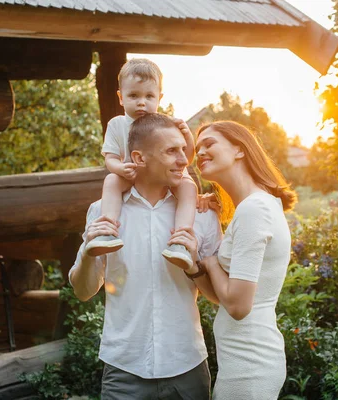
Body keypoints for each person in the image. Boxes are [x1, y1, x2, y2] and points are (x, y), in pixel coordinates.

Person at [69, 113, 223, 400]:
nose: (184, 160)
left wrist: (195, 266)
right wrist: (89, 254)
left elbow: (217, 296)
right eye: (171, 151)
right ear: (139, 157)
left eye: (182, 149)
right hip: (124, 369)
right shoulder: (103, 212)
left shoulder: (201, 216)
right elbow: (82, 291)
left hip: (187, 367)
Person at [173, 121, 297, 399]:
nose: (199, 151)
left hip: (249, 364)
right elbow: (225, 298)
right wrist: (196, 266)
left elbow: (239, 306)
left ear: (239, 150)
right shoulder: (256, 205)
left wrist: (212, 261)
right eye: (198, 145)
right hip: (242, 359)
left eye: (209, 143)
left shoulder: (254, 209)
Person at [85, 58, 199, 271]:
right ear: (120, 97)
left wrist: (187, 136)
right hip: (131, 175)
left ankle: (181, 240)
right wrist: (120, 168)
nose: (141, 102)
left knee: (188, 186)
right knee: (111, 181)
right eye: (133, 95)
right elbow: (110, 158)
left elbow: (186, 159)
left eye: (149, 96)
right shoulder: (117, 124)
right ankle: (107, 230)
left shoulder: (165, 125)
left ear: (160, 98)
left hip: (163, 176)